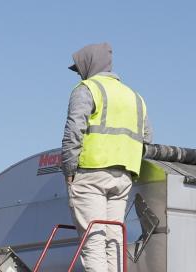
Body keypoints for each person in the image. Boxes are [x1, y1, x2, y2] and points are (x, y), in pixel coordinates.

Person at [60, 42, 151, 272]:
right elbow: (147, 139)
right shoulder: (135, 97)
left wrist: (69, 171)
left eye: (80, 68)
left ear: (90, 64)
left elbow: (73, 132)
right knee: (114, 240)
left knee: (94, 242)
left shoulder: (87, 89)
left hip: (91, 173)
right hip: (123, 178)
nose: (79, 73)